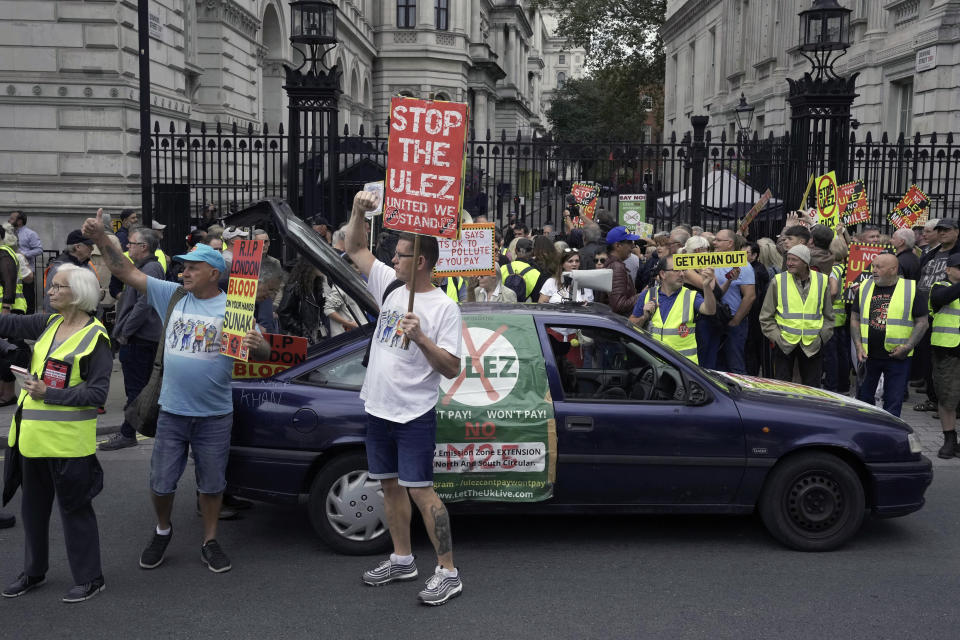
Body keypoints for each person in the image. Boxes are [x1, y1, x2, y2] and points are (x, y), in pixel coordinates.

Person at [81, 209, 269, 574]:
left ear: (213, 273)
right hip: (171, 411)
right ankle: (163, 529)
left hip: (214, 415)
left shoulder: (235, 305)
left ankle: (210, 540)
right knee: (161, 481)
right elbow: (123, 270)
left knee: (212, 484)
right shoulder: (172, 296)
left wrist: (256, 344)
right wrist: (103, 238)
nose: (183, 272)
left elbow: (259, 352)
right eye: (183, 266)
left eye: (192, 268)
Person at [345, 190, 464, 606]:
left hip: (414, 414)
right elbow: (355, 247)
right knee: (390, 488)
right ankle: (402, 559)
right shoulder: (392, 288)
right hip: (378, 408)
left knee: (421, 491)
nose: (392, 260)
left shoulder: (444, 307)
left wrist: (420, 337)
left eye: (400, 255)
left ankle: (448, 571)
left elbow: (452, 367)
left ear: (422, 262)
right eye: (394, 254)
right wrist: (359, 210)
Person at [0, 264, 111, 602]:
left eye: (59, 287)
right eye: (51, 286)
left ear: (78, 294)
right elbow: (8, 322)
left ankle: (90, 578)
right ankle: (34, 572)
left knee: (75, 512)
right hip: (31, 441)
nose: (50, 291)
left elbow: (97, 395)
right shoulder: (49, 322)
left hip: (68, 445)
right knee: (33, 513)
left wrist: (50, 394)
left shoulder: (96, 338)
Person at [99, 229, 165, 451]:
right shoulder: (143, 268)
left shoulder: (151, 268)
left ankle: (128, 434)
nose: (128, 246)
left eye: (132, 243)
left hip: (140, 339)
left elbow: (144, 305)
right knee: (143, 390)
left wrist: (126, 331)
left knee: (137, 391)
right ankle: (150, 431)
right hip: (139, 338)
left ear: (144, 247)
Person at [850, 253, 927, 417]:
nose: (874, 270)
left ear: (893, 269)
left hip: (898, 357)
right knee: (863, 400)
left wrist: (908, 347)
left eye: (879, 267)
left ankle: (890, 437)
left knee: (893, 400)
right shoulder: (864, 287)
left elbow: (922, 322)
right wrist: (858, 345)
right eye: (873, 266)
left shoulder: (911, 289)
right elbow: (855, 317)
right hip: (868, 355)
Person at [760, 244, 834, 387]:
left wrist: (821, 338)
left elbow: (829, 316)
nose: (789, 263)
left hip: (813, 344)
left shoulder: (822, 281)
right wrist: (777, 338)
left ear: (805, 262)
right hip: (784, 343)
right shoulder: (778, 281)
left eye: (794, 260)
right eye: (788, 259)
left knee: (812, 389)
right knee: (782, 388)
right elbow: (766, 316)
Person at [630, 257, 716, 363]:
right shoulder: (648, 294)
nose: (682, 274)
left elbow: (710, 310)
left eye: (683, 270)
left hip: (684, 368)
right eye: (676, 270)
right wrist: (644, 318)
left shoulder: (690, 295)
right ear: (662, 274)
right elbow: (631, 327)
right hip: (655, 364)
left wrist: (706, 286)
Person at [914, 219, 960, 412]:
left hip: (947, 314)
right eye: (939, 230)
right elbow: (919, 276)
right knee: (927, 357)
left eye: (947, 230)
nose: (942, 233)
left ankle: (949, 405)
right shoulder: (930, 253)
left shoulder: (957, 253)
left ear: (956, 231)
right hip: (926, 310)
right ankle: (933, 398)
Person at [704, 229, 756, 373]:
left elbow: (750, 296)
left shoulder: (743, 264)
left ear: (730, 243)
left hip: (732, 321)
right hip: (713, 320)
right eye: (715, 240)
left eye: (719, 240)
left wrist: (736, 321)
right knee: (714, 367)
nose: (714, 243)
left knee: (735, 365)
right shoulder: (709, 261)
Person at [929, 253, 960, 458]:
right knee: (948, 398)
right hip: (948, 352)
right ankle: (949, 439)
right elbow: (942, 299)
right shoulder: (939, 287)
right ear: (948, 269)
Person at [43, 231, 97, 313]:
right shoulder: (58, 269)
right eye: (89, 245)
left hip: (88, 320)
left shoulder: (89, 266)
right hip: (66, 321)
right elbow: (50, 302)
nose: (92, 248)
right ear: (78, 247)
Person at [278, 260, 328, 344]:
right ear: (310, 266)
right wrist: (301, 331)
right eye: (319, 264)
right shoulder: (295, 287)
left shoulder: (316, 286)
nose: (322, 267)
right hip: (301, 337)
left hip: (314, 334)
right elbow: (284, 313)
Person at [605, 226, 641, 316]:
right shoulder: (617, 267)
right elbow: (619, 305)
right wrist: (642, 295)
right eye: (629, 242)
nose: (632, 246)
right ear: (617, 245)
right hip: (617, 324)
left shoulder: (611, 263)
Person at [499, 237, 541, 302]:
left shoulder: (503, 268)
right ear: (532, 252)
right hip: (525, 310)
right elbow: (536, 299)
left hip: (505, 308)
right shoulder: (536, 273)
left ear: (515, 250)